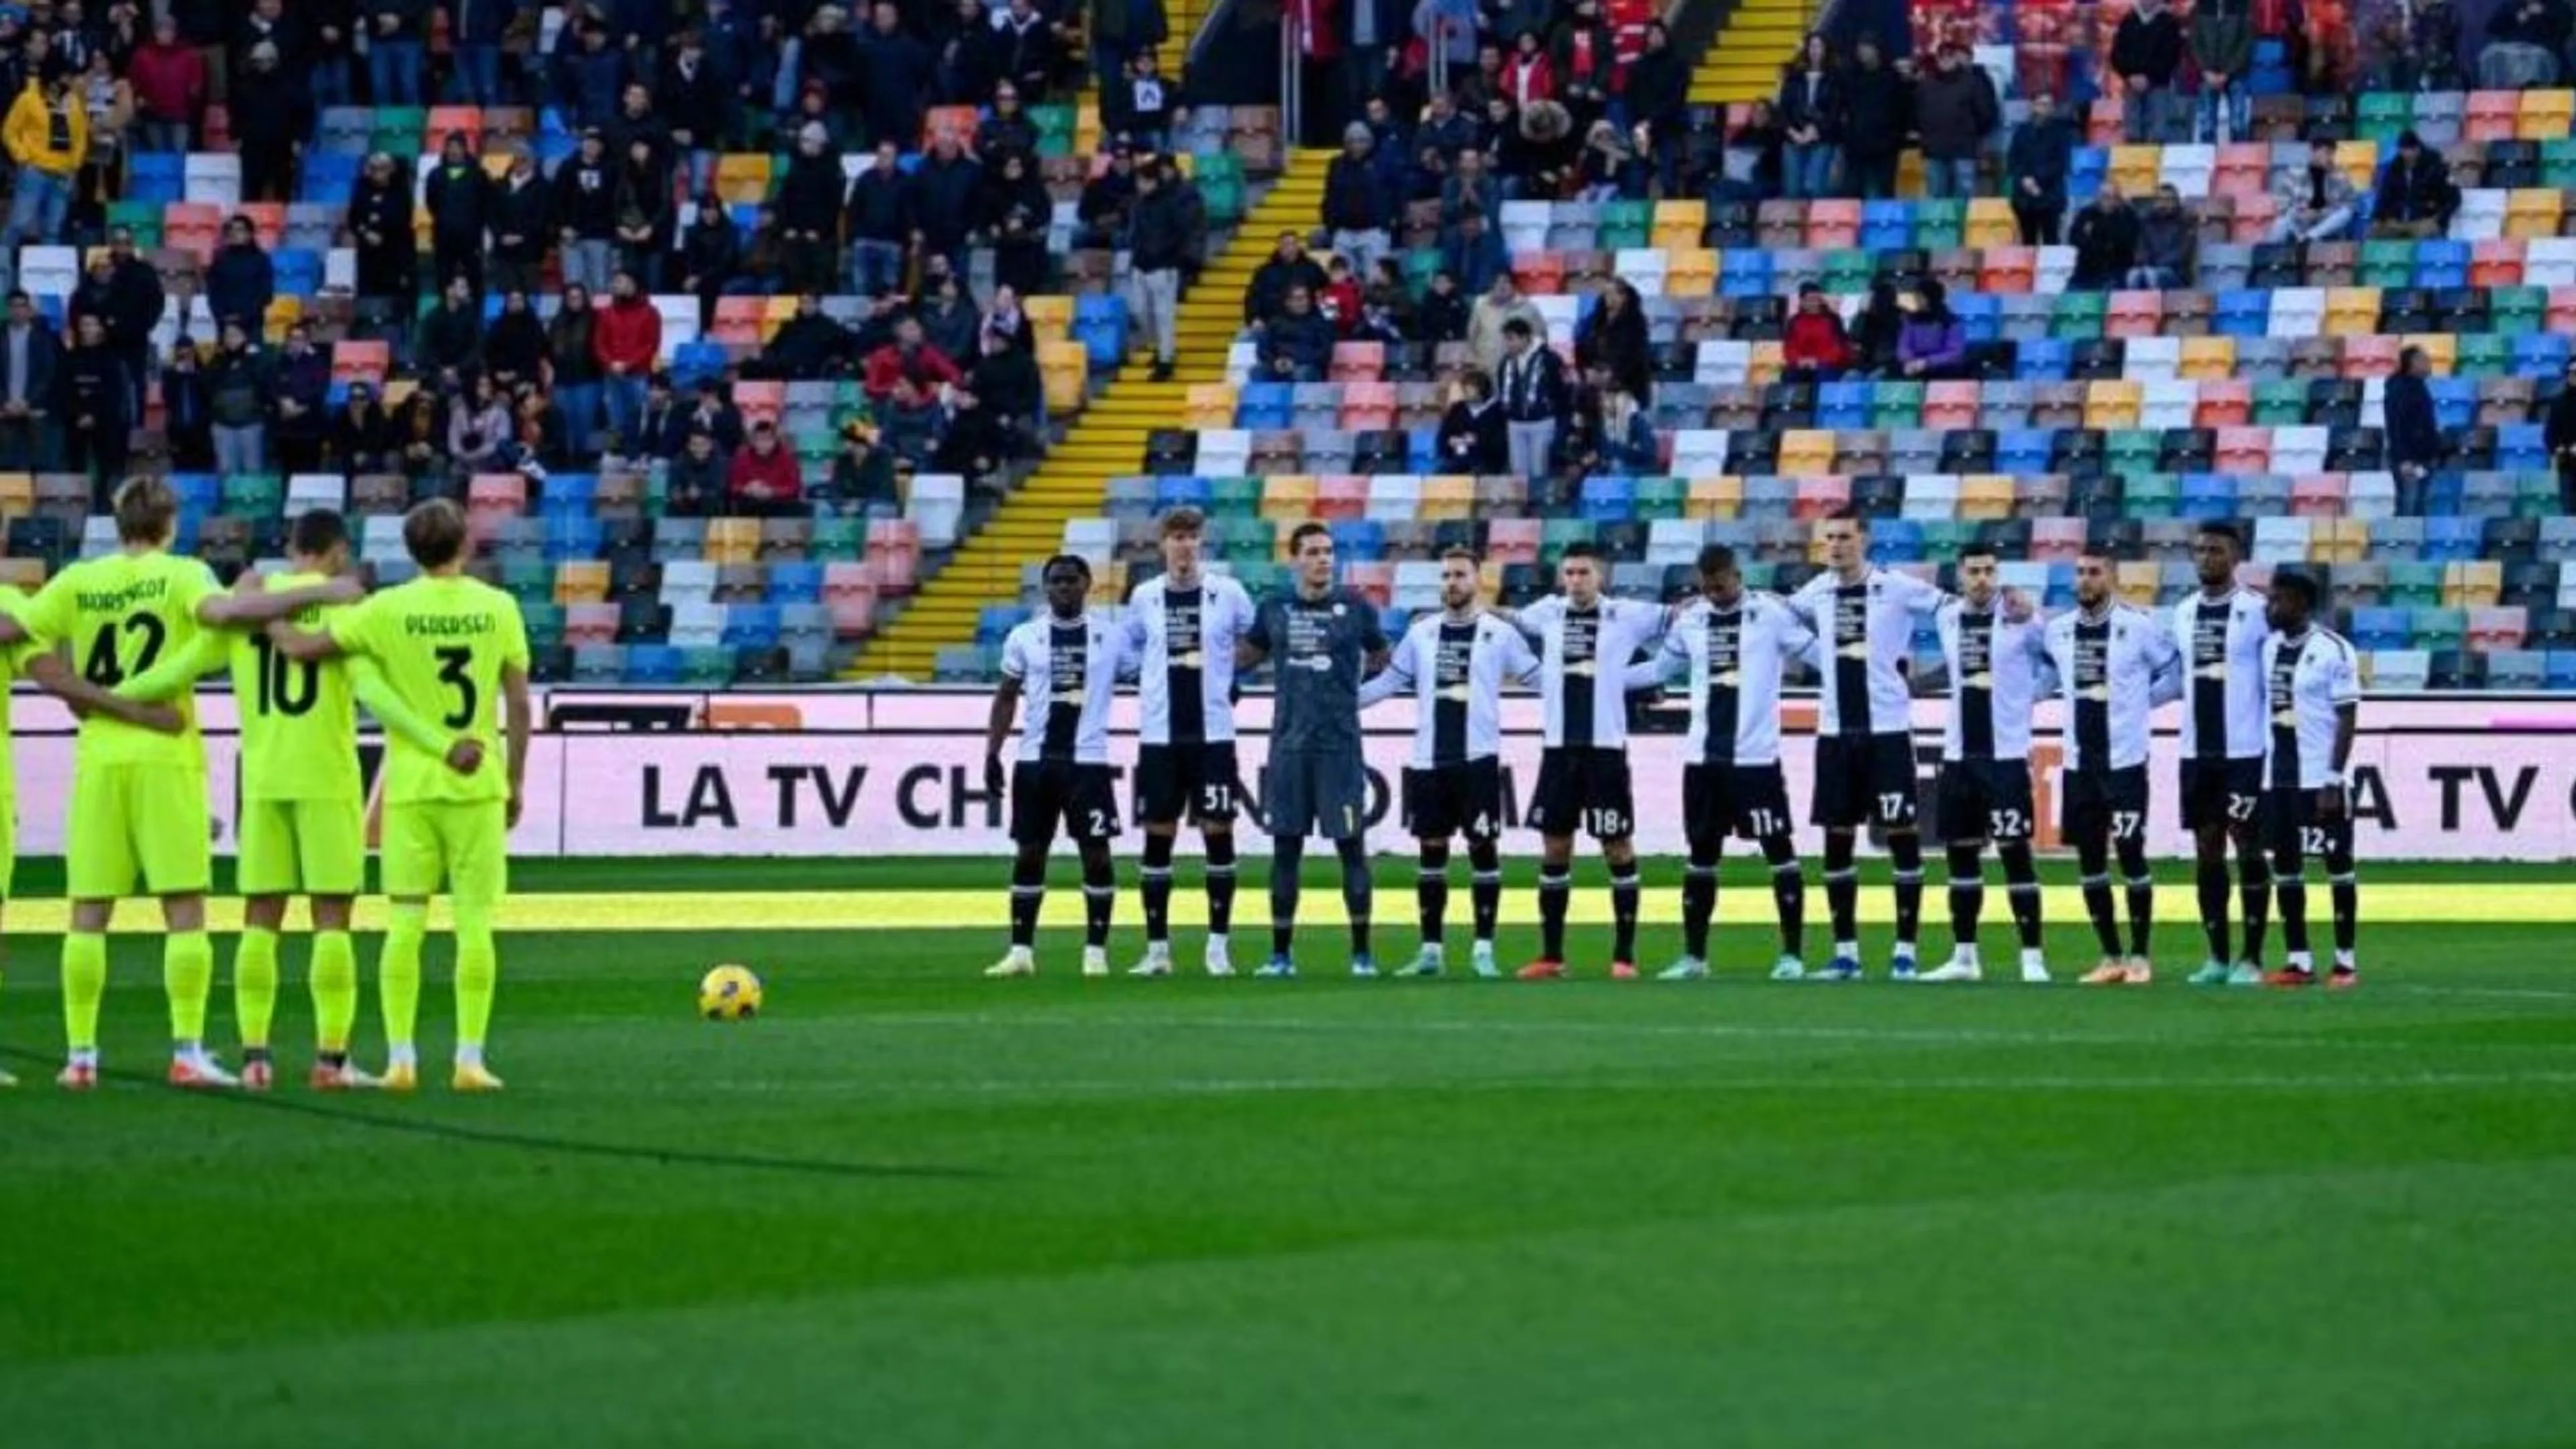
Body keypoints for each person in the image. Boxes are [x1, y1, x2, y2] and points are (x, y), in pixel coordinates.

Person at [0, 478, 361, 1089]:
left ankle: (80, 1056)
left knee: (87, 910)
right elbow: (226, 614)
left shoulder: (78, 581)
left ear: (117, 522)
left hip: (99, 761)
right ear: (169, 523)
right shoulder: (182, 574)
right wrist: (328, 589)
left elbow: (21, 634)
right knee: (184, 906)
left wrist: (103, 702)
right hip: (168, 755)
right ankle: (187, 1052)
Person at [112, 510, 459, 1090]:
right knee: (331, 920)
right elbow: (373, 687)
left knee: (260, 919)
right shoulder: (348, 604)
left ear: (293, 547)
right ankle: (331, 1062)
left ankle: (255, 1058)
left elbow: (185, 665)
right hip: (326, 776)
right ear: (338, 550)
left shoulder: (254, 602)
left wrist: (108, 696)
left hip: (265, 776)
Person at [264, 499, 531, 1091]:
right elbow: (516, 701)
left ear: (411, 551)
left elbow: (303, 650)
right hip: (476, 784)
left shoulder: (386, 610)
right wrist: (514, 781)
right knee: (475, 925)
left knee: (404, 922)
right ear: (464, 546)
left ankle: (402, 1060)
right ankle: (469, 1060)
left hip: (410, 787)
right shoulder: (499, 607)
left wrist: (267, 615)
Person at [1625, 544, 1815, 981]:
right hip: (1703, 760)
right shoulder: (1692, 619)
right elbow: (1659, 670)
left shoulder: (1769, 613)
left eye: (1720, 584)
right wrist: (1605, 680)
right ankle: (1694, 958)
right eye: (1706, 586)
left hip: (1755, 760)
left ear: (1737, 575)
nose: (1713, 593)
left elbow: (1816, 653)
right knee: (1701, 856)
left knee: (1779, 852)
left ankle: (1792, 956)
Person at [1783, 508, 1953, 980]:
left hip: (1888, 733)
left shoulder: (1895, 587)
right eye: (1829, 538)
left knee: (1902, 838)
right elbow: (1778, 619)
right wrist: (1811, 652)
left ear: (1865, 541)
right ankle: (1846, 955)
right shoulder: (1816, 591)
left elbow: (1949, 608)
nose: (1836, 545)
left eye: (1845, 537)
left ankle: (1905, 952)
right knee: (1837, 841)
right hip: (1836, 735)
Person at [1358, 549, 1540, 978]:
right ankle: (1431, 950)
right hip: (1429, 761)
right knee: (1431, 852)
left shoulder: (1500, 634)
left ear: (1479, 580)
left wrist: (1594, 692)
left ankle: (1482, 949)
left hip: (1477, 759)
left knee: (1483, 851)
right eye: (1446, 575)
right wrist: (1338, 702)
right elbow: (1388, 683)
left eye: (1460, 575)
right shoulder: (1421, 634)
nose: (1452, 583)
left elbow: (1539, 679)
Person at [1499, 543, 1668, 979]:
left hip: (1605, 751)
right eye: (1569, 573)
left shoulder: (1627, 614)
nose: (1575, 580)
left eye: (1584, 572)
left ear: (1601, 577)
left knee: (1617, 848)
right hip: (1558, 750)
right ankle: (1552, 956)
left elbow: (1679, 618)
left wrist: (1655, 673)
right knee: (1555, 847)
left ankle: (1624, 957)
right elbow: (1508, 620)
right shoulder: (1548, 612)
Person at [1236, 523, 1389, 977]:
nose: (1324, 559)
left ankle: (1362, 955)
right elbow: (1245, 658)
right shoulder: (1274, 608)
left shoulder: (1357, 607)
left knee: (1351, 848)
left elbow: (1382, 656)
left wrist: (1354, 695)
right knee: (1286, 849)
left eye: (1329, 551)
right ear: (1295, 559)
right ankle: (1280, 955)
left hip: (1339, 746)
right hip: (1288, 745)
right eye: (1314, 552)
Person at [1120, 509, 1258, 977]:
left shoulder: (1229, 594)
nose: (1184, 545)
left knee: (1218, 835)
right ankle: (1157, 951)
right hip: (1159, 738)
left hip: (1213, 739)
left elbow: (1255, 640)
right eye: (1176, 537)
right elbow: (1132, 649)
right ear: (1163, 544)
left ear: (1202, 543)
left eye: (1192, 537)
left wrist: (1226, 678)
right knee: (1158, 837)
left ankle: (1218, 947)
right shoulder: (1144, 597)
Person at [982, 555, 1134, 978]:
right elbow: (1007, 695)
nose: (1064, 588)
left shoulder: (1113, 638)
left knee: (1098, 855)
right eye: (1055, 582)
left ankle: (1096, 953)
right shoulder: (1025, 637)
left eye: (1071, 581)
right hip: (1035, 762)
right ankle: (1021, 952)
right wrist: (992, 752)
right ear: (1046, 589)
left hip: (1088, 764)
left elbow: (1148, 677)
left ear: (1088, 584)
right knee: (1030, 852)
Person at [2041, 549, 2186, 985]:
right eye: (2080, 573)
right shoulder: (2058, 631)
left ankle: (2140, 957)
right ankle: (2110, 957)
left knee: (2130, 854)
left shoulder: (2137, 627)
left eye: (2094, 573)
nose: (2085, 580)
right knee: (2089, 861)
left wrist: (2143, 704)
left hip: (2124, 763)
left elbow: (2175, 675)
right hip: (2078, 765)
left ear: (2112, 577)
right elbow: (2048, 681)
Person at [1919, 543, 2054, 983]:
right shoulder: (1947, 616)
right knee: (1960, 856)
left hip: (2006, 757)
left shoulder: (2022, 618)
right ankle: (1964, 958)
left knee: (2016, 854)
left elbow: (2056, 662)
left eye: (1989, 571)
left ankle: (2032, 958)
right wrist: (1915, 683)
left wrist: (2030, 697)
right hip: (1959, 756)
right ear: (1960, 576)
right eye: (1974, 571)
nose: (1982, 578)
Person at [2169, 522, 2276, 987]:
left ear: (2236, 557)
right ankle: (2216, 957)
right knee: (2206, 850)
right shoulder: (2183, 612)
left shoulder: (2257, 612)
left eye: (2215, 550)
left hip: (2244, 752)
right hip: (2197, 752)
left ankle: (2251, 957)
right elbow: (2177, 677)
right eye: (2198, 550)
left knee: (2248, 847)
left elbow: (2276, 680)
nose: (2204, 558)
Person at [2255, 572, 2362, 988]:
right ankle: (2299, 960)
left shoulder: (2334, 650)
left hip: (2321, 777)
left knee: (2338, 866)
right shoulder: (2269, 649)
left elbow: (2349, 715)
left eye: (2277, 600)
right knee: (2286, 868)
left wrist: (2334, 778)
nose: (2270, 607)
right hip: (2278, 777)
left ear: (2300, 602)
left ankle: (2345, 962)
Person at [2, 58, 87, 256]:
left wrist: (75, 163)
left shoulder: (73, 102)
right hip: (35, 171)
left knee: (53, 229)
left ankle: (48, 281)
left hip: (63, 173)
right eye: (66, 76)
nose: (70, 80)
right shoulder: (29, 99)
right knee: (19, 224)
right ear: (54, 78)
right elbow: (9, 131)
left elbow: (81, 136)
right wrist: (23, 156)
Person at [1126, 157, 1191, 381]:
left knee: (1165, 315)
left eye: (1144, 181)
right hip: (1140, 264)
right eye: (1139, 181)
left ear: (1154, 182)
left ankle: (1166, 359)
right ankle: (1159, 346)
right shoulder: (1137, 204)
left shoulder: (1170, 203)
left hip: (1164, 266)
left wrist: (1171, 256)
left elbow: (1183, 233)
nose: (1140, 186)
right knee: (1139, 310)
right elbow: (1134, 232)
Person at [1914, 42, 1996, 199]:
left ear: (1956, 59)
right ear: (1937, 59)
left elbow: (1985, 114)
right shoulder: (1925, 85)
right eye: (1942, 57)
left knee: (1964, 197)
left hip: (1963, 149)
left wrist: (1971, 134)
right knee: (1936, 196)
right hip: (1934, 150)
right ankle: (1939, 225)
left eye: (1950, 57)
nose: (1945, 61)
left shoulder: (1972, 82)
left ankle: (1963, 224)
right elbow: (1917, 114)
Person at [594, 269, 662, 447]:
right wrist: (610, 363)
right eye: (615, 282)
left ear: (634, 285)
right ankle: (617, 451)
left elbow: (651, 344)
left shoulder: (650, 312)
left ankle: (639, 450)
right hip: (612, 375)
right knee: (615, 418)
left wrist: (628, 364)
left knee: (639, 417)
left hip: (638, 374)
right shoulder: (606, 313)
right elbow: (599, 343)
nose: (617, 286)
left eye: (621, 282)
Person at [1495, 316, 1566, 479]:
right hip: (1515, 422)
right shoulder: (1505, 362)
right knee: (1518, 471)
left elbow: (1560, 390)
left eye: (1511, 339)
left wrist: (1554, 412)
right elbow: (1503, 390)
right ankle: (1521, 503)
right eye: (1506, 339)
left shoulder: (1549, 359)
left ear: (1526, 337)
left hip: (1541, 420)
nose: (1508, 344)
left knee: (1539, 469)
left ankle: (1538, 503)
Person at [1838, 37, 1909, 200]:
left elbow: (1903, 111)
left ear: (1877, 50)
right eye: (1860, 48)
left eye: (1867, 48)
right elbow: (1844, 109)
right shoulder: (1851, 78)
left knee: (1880, 196)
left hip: (1885, 150)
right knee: (1852, 195)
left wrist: (1895, 139)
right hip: (1856, 148)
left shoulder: (1893, 78)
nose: (1863, 52)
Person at [0, 288, 61, 470]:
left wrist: (28, 401)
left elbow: (47, 374)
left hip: (34, 409)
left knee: (37, 464)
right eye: (13, 306)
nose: (17, 311)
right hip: (5, 408)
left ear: (29, 310)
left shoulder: (43, 338)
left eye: (22, 306)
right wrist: (5, 402)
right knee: (6, 465)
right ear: (8, 309)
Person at [1775, 33, 1840, 200]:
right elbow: (1783, 109)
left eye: (1819, 47)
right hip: (1793, 138)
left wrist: (1817, 130)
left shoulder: (1835, 78)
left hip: (1822, 138)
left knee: (1817, 189)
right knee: (1792, 190)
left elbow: (1836, 110)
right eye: (1812, 46)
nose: (1815, 51)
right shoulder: (1794, 78)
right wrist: (1793, 132)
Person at [2112, 0, 2186, 142]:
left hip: (2159, 85)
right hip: (2131, 86)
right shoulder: (2128, 21)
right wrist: (2130, 74)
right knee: (2132, 131)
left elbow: (2171, 55)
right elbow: (2117, 53)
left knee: (2158, 131)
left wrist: (2150, 77)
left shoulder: (2169, 23)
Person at [2006, 92, 2072, 244]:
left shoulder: (2061, 133)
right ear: (2033, 106)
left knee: (2051, 242)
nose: (2044, 108)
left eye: (2048, 105)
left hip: (2051, 196)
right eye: (2041, 104)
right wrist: (2024, 180)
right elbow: (2013, 160)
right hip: (2024, 199)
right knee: (2028, 243)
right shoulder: (2022, 131)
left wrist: (2037, 181)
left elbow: (2061, 163)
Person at [2383, 344, 2442, 511]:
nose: (2429, 364)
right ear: (2413, 363)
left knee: (2420, 505)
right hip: (2410, 458)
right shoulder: (2400, 389)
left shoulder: (2419, 386)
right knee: (2409, 504)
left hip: (2424, 455)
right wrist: (2403, 459)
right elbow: (2396, 425)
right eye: (2425, 360)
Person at [2268, 135, 2357, 244]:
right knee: (2280, 223)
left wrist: (2320, 212)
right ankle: (2271, 254)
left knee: (2345, 213)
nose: (2329, 157)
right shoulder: (2296, 171)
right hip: (2299, 219)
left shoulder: (2340, 175)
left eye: (2332, 153)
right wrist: (2300, 212)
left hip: (2324, 221)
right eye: (2326, 152)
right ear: (2313, 152)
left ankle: (2310, 237)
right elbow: (2282, 199)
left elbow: (2349, 203)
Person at [2371, 129, 2458, 239]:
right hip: (2397, 221)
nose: (2407, 154)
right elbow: (2384, 195)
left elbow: (2454, 197)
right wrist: (2378, 217)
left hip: (2425, 219)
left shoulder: (2435, 166)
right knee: (2375, 233)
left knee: (2426, 233)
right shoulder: (2394, 169)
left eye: (2410, 150)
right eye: (2404, 150)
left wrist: (2440, 219)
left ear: (2417, 148)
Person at [2193, 0, 2253, 144]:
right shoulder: (2201, 7)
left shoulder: (2242, 6)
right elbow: (2195, 43)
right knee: (2206, 128)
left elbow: (2246, 43)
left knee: (2238, 126)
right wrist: (2206, 70)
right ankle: (2206, 160)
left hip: (2236, 74)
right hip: (2208, 75)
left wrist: (2227, 73)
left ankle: (2240, 161)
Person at [2069, 182, 2140, 290]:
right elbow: (2074, 238)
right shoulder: (2086, 214)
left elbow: (2126, 242)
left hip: (2117, 270)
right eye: (2105, 197)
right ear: (2098, 198)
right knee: (2069, 296)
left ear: (2120, 200)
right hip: (2087, 270)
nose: (2109, 201)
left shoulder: (2128, 216)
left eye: (2114, 198)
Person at [1256, 283, 1335, 382]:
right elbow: (1263, 349)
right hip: (1280, 365)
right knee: (1258, 372)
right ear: (1288, 302)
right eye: (1298, 299)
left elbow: (1325, 353)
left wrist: (1295, 361)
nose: (1304, 302)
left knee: (1302, 373)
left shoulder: (1319, 322)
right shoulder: (1275, 322)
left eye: (1306, 298)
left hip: (1308, 367)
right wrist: (1275, 362)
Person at [1436, 368, 1507, 472]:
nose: (1467, 393)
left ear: (1482, 390)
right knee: (1441, 473)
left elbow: (1499, 445)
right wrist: (1450, 441)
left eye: (1471, 389)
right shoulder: (1457, 409)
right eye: (1465, 389)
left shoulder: (1497, 412)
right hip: (1457, 460)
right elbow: (1444, 435)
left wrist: (1476, 441)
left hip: (1485, 462)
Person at [727, 419, 804, 516]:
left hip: (780, 507)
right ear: (752, 441)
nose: (762, 444)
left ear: (775, 440)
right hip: (750, 506)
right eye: (758, 440)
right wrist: (746, 489)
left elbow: (795, 488)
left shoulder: (787, 457)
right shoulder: (742, 457)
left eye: (767, 439)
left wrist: (773, 492)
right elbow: (733, 486)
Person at [1895, 279, 1966, 381]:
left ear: (1931, 298)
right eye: (1916, 296)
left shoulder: (1951, 322)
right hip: (1914, 366)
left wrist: (1927, 362)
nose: (1916, 300)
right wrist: (1909, 361)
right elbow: (1904, 346)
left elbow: (1954, 352)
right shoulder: (1910, 320)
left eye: (1920, 296)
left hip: (1942, 369)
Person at [1781, 281, 1852, 378]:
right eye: (1810, 300)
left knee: (1824, 374)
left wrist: (1818, 361)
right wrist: (1800, 361)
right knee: (1789, 374)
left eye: (1817, 300)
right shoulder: (1794, 321)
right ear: (1802, 301)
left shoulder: (1833, 319)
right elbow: (1789, 347)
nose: (1814, 303)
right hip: (1802, 365)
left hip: (1828, 364)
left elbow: (1839, 348)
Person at [2130, 184, 2196, 288]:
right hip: (2151, 269)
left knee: (2153, 275)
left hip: (2177, 273)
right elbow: (2141, 249)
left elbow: (2182, 254)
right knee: (2133, 276)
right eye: (2160, 199)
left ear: (2176, 202)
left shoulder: (2186, 222)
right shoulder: (2147, 222)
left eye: (2168, 200)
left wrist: (2155, 265)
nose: (2164, 204)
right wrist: (2145, 263)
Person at [2548, 356, 2576, 514]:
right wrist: (2558, 448)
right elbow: (2550, 433)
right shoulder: (2558, 403)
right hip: (2566, 465)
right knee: (2569, 509)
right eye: (2572, 374)